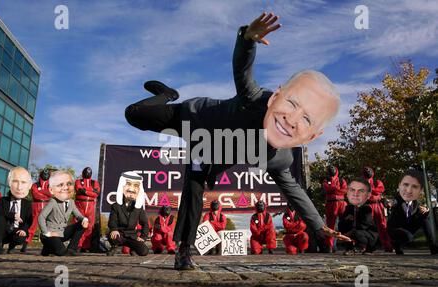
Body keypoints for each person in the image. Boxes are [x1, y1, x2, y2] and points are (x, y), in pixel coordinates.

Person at [125, 12, 351, 269]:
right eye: (291, 104)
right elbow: (242, 71)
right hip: (194, 118)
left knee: (194, 186)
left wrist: (319, 226)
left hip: (207, 150)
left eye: (306, 120)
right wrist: (247, 39)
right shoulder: (254, 99)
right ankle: (166, 94)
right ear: (275, 97)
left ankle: (184, 251)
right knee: (133, 114)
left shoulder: (279, 157)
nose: (291, 119)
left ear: (311, 137)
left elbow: (294, 191)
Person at [38, 171, 89, 256]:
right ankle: (48, 247)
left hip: (62, 233)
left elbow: (78, 215)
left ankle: (72, 249)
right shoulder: (53, 201)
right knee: (61, 252)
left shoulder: (71, 202)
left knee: (82, 224)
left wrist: (84, 219)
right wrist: (46, 232)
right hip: (51, 233)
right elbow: (41, 217)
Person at [387, 170, 438, 255]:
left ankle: (433, 247)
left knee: (425, 216)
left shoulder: (415, 202)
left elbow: (421, 209)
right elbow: (393, 201)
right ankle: (396, 244)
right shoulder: (398, 200)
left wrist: (426, 209)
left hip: (408, 225)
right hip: (396, 228)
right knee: (408, 237)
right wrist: (389, 203)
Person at [106, 171, 149, 256]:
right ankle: (114, 246)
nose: (131, 189)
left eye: (136, 186)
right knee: (113, 235)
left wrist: (143, 237)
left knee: (144, 251)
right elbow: (112, 220)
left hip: (132, 236)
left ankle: (133, 248)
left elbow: (145, 224)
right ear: (122, 186)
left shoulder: (139, 207)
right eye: (128, 184)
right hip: (119, 235)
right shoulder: (115, 205)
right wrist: (114, 229)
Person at [0, 167, 33, 254]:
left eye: (23, 182)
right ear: (10, 184)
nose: (19, 187)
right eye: (15, 182)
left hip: (16, 230)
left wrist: (24, 230)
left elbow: (29, 221)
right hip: (3, 229)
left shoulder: (27, 204)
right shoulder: (3, 200)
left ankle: (12, 246)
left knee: (21, 237)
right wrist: (13, 215)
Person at [338, 178, 378, 255]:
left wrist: (352, 231)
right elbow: (341, 222)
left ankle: (367, 248)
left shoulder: (367, 208)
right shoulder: (349, 208)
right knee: (343, 228)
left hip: (368, 234)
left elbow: (365, 224)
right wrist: (346, 219)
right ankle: (350, 249)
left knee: (356, 233)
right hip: (353, 232)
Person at [22, 169, 52, 253]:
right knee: (32, 226)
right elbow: (35, 195)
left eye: (47, 174)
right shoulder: (35, 185)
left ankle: (47, 246)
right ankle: (25, 243)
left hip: (46, 207)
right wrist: (45, 194)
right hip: (36, 206)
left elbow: (51, 194)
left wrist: (41, 192)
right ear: (41, 174)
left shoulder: (50, 185)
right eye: (44, 174)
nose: (45, 175)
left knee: (46, 227)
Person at [362, 166, 392, 252]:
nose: (368, 171)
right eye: (366, 171)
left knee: (383, 226)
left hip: (378, 205)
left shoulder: (377, 181)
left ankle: (388, 246)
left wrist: (370, 189)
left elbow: (380, 189)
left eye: (369, 170)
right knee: (366, 227)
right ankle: (366, 246)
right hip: (367, 206)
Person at [74, 167, 100, 252]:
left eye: (89, 172)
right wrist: (91, 191)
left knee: (89, 226)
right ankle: (78, 245)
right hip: (79, 205)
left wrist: (85, 191)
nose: (87, 173)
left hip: (90, 206)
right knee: (78, 224)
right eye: (86, 172)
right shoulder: (78, 181)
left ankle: (86, 246)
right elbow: (79, 189)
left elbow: (96, 194)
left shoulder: (94, 182)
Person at [323, 166, 347, 253]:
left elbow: (345, 190)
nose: (332, 170)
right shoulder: (326, 179)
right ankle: (329, 246)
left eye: (333, 169)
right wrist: (337, 189)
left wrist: (333, 189)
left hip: (341, 203)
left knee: (345, 224)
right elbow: (326, 188)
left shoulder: (341, 180)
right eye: (330, 169)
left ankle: (348, 245)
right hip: (331, 203)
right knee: (330, 226)